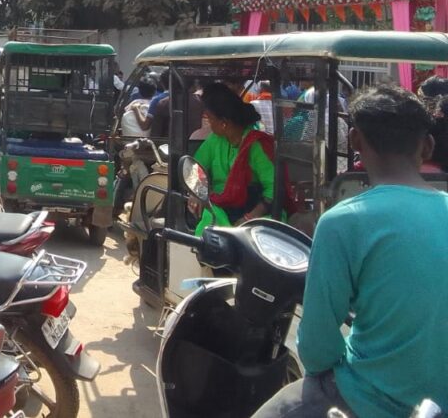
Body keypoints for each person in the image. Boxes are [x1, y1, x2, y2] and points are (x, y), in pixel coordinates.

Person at [253, 85, 448, 418]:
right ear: (427, 146)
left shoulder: (341, 221)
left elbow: (316, 349)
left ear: (355, 140)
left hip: (369, 397)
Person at [192, 82, 292, 235]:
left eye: (210, 119)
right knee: (209, 220)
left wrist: (249, 218)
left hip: (256, 211)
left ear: (223, 123)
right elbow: (195, 167)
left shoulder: (255, 145)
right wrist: (196, 194)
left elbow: (274, 190)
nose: (209, 123)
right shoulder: (215, 140)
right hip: (222, 207)